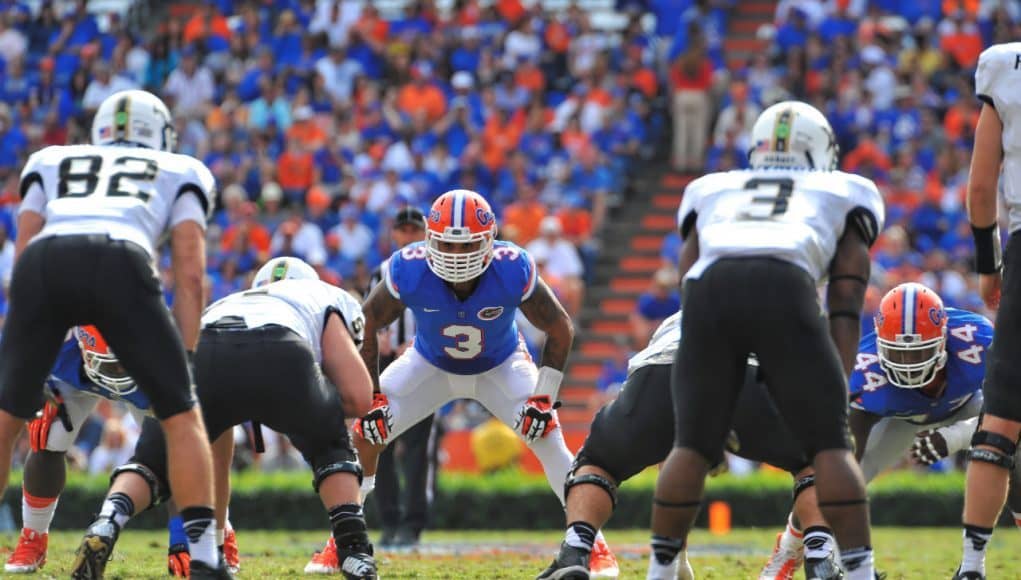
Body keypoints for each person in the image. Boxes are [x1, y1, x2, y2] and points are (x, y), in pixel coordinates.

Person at [307, 190, 619, 577]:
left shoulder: (512, 266)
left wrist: (543, 397)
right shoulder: (409, 267)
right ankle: (342, 540)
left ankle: (591, 545)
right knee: (367, 432)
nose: (456, 254)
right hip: (429, 365)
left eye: (467, 243)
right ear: (429, 239)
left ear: (489, 239)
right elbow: (369, 320)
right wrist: (372, 395)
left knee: (548, 436)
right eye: (447, 243)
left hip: (500, 366)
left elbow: (559, 327)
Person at [650, 101, 885, 580]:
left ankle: (660, 571)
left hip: (709, 290)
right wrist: (834, 393)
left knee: (691, 447)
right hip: (784, 280)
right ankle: (859, 573)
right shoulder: (845, 188)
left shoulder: (711, 187)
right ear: (820, 147)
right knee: (831, 449)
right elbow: (844, 295)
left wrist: (706, 389)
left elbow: (688, 277)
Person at [0, 89, 227, 578]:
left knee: (5, 418)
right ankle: (205, 554)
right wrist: (186, 358)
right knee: (183, 418)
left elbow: (23, 258)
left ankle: (186, 542)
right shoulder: (182, 168)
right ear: (162, 134)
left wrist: (22, 352)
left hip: (46, 266)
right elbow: (189, 275)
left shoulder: (51, 158)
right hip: (121, 264)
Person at [77, 257, 377, 578]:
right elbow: (359, 397)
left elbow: (216, 456)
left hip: (205, 351)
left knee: (152, 462)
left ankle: (109, 520)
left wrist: (215, 543)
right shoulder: (324, 297)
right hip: (281, 348)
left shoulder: (228, 301)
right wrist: (318, 409)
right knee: (329, 443)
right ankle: (353, 550)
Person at [537, 310, 812, 580]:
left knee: (599, 464)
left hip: (662, 369)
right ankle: (818, 556)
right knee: (816, 462)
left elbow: (672, 445)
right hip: (748, 373)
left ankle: (577, 548)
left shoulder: (682, 311)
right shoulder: (778, 303)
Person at [760, 283, 1005, 579]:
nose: (909, 366)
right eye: (898, 354)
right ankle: (789, 548)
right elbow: (841, 460)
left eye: (920, 352)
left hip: (967, 405)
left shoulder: (979, 339)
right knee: (846, 471)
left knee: (1009, 444)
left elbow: (1009, 414)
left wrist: (956, 436)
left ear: (944, 340)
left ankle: (971, 568)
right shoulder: (865, 373)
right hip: (901, 418)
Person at [5, 326, 241, 576]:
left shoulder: (165, 345)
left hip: (146, 377)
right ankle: (33, 538)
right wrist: (35, 383)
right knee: (47, 439)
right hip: (76, 369)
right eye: (112, 367)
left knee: (178, 453)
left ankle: (216, 530)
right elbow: (25, 333)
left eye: (120, 366)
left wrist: (182, 538)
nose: (115, 375)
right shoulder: (63, 321)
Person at [956, 41, 1021, 580]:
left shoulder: (1005, 65)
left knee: (999, 421)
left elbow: (981, 188)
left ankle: (973, 567)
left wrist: (989, 264)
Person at [364, 207, 440, 551]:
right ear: (395, 234)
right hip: (385, 363)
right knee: (380, 442)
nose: (409, 236)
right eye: (404, 230)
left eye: (415, 230)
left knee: (418, 449)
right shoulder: (382, 270)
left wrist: (422, 340)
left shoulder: (439, 267)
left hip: (424, 362)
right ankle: (391, 521)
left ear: (425, 233)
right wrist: (377, 337)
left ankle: (412, 523)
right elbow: (367, 316)